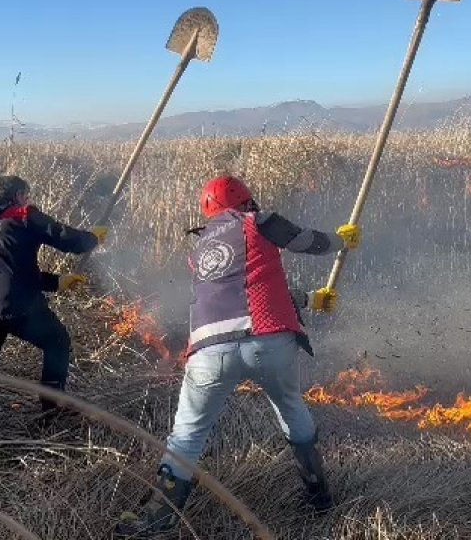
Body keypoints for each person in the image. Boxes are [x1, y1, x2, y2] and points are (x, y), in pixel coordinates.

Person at [115, 175, 361, 537]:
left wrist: (310, 299)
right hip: (269, 337)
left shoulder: (198, 252)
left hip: (208, 349)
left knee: (187, 432)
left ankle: (158, 517)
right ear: (246, 202)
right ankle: (319, 495)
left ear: (210, 213)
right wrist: (343, 240)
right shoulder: (258, 221)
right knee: (291, 407)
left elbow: (243, 287)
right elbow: (306, 241)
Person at [0, 175, 108, 474]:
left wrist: (57, 282)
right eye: (26, 195)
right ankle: (52, 409)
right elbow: (67, 239)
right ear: (20, 195)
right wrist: (92, 238)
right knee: (57, 341)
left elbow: (7, 269)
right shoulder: (23, 215)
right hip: (16, 307)